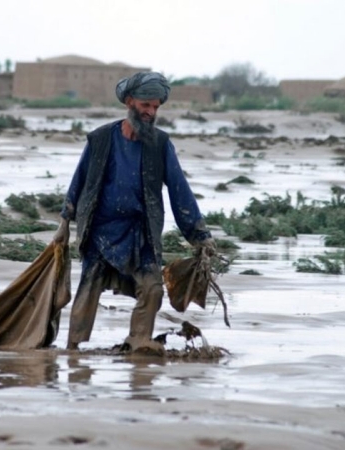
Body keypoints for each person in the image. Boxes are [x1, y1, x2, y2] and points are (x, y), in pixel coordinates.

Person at [53, 71, 215, 352]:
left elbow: (180, 192)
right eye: (146, 106)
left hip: (141, 234)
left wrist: (199, 235)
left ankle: (138, 342)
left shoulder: (160, 144)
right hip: (100, 232)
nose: (151, 112)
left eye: (155, 107)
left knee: (152, 290)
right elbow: (79, 181)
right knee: (87, 292)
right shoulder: (101, 139)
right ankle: (73, 352)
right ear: (129, 102)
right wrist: (65, 221)